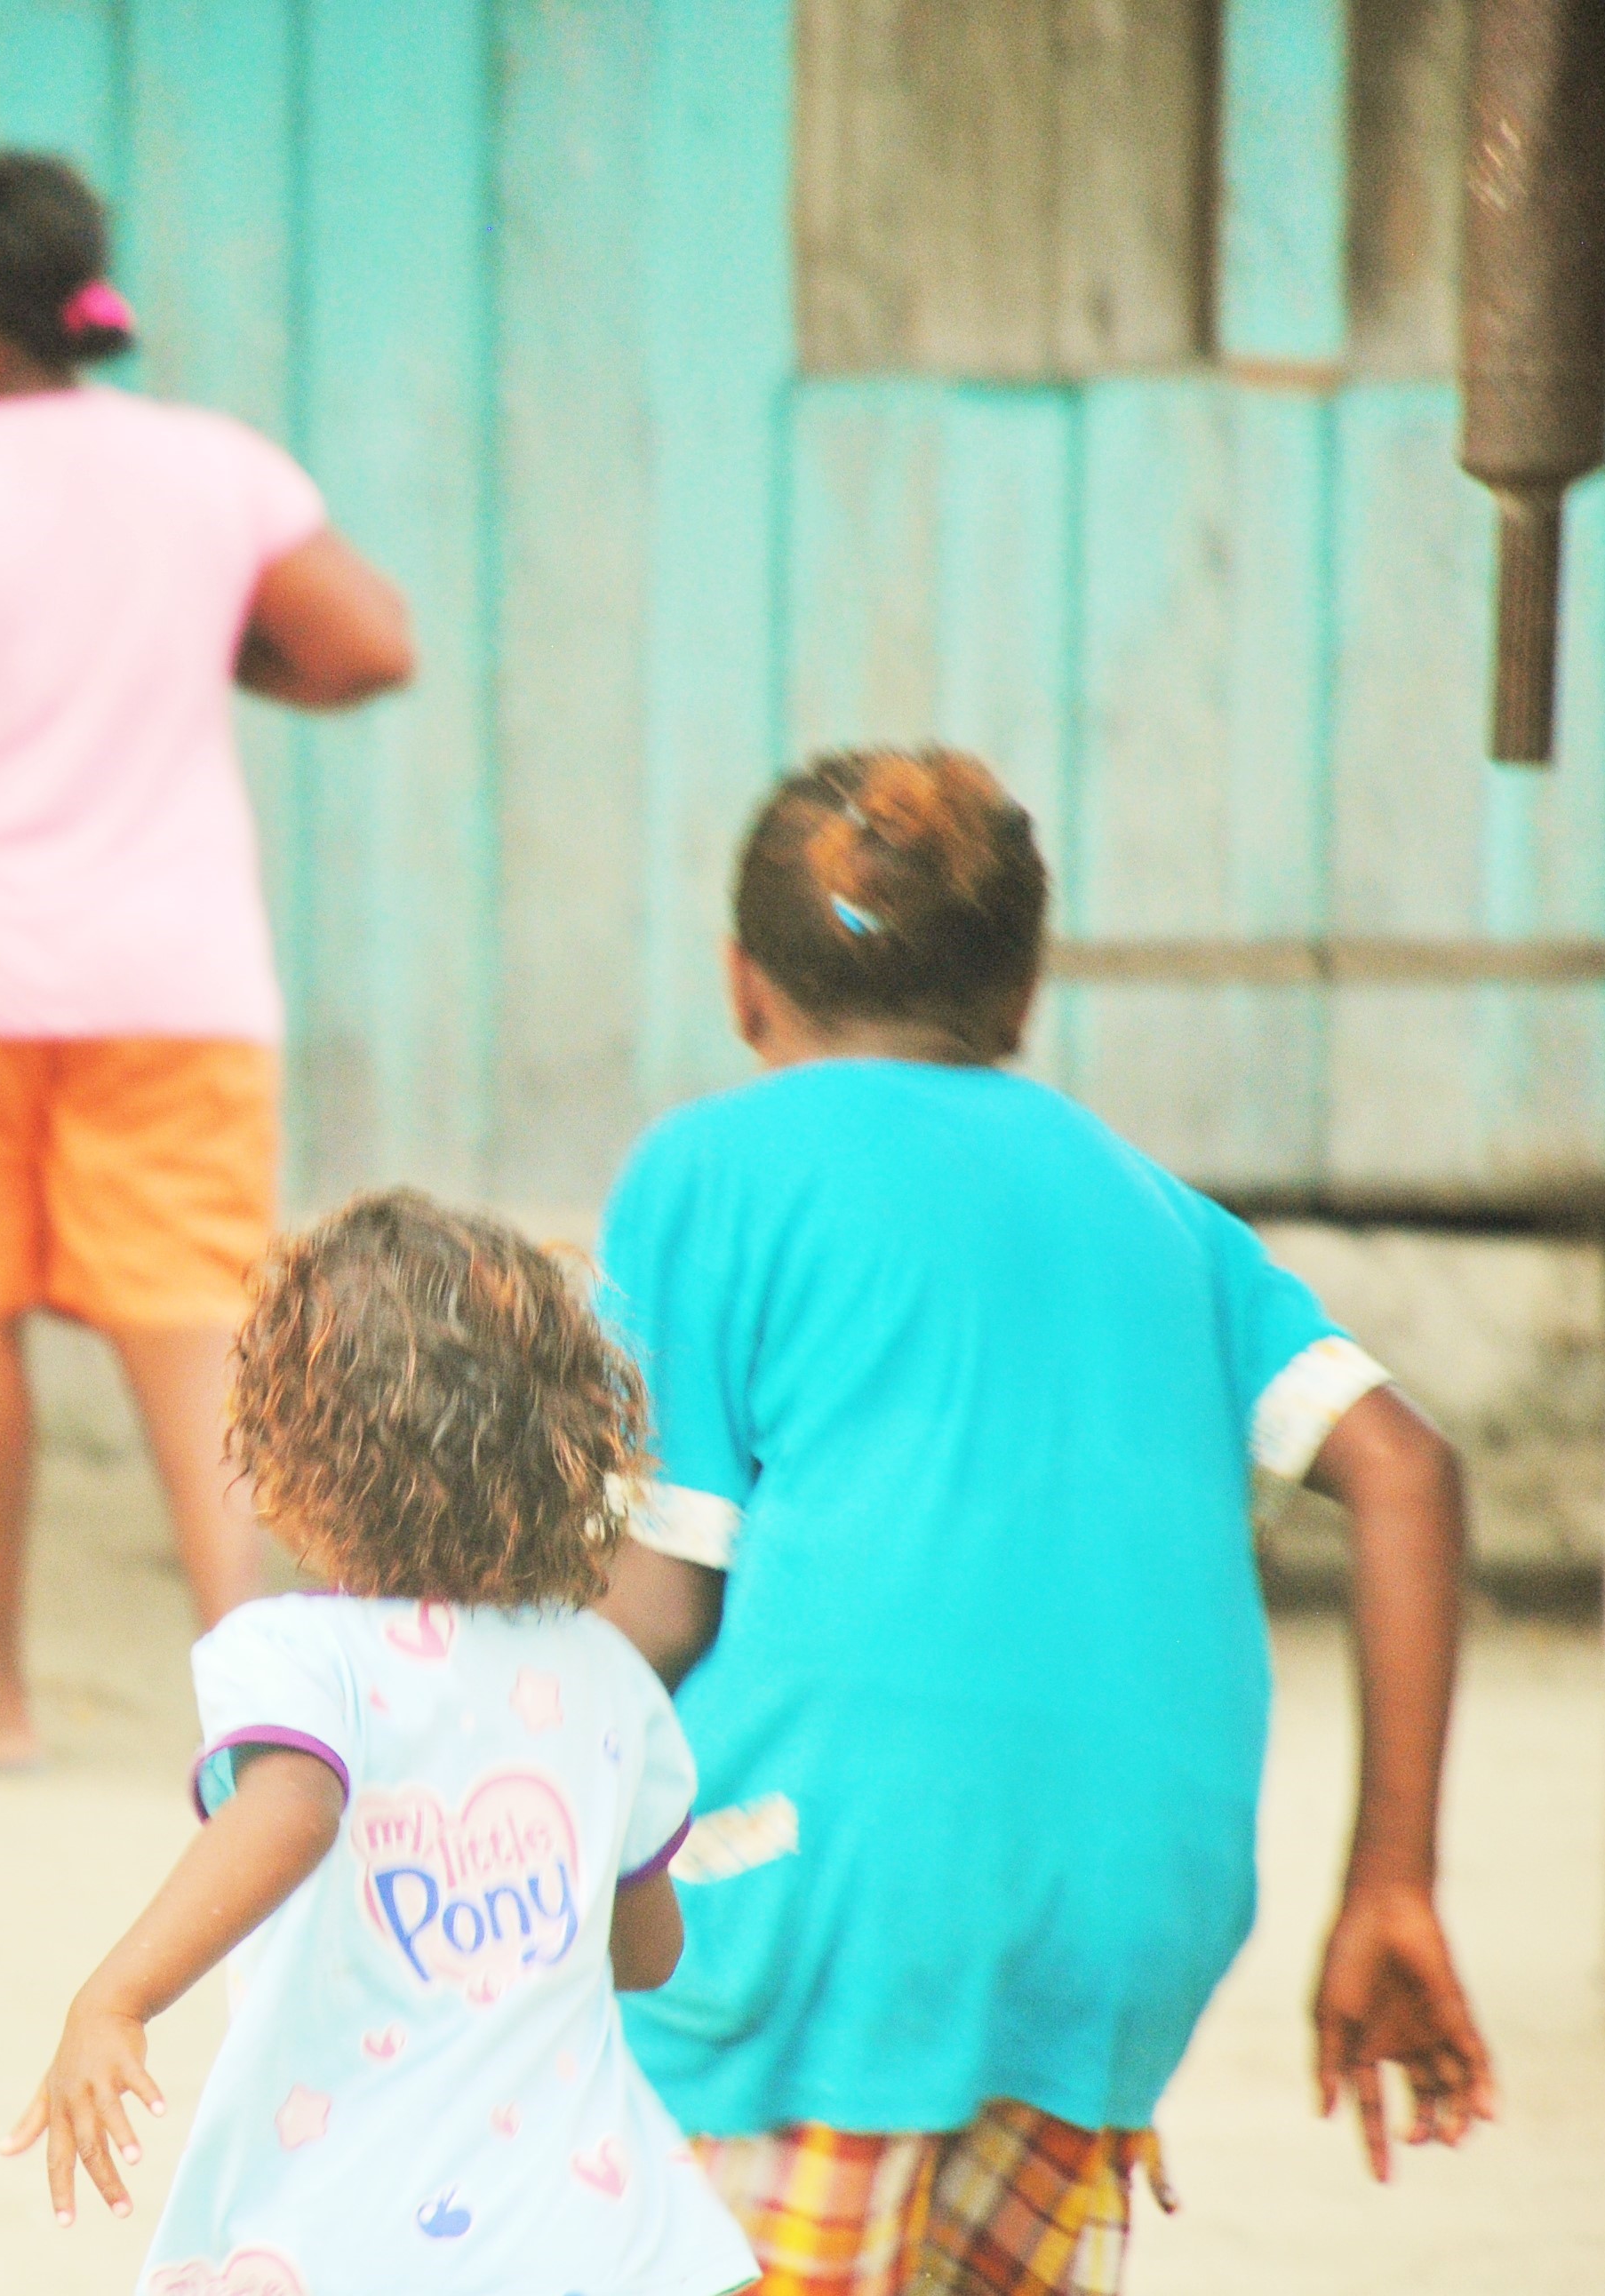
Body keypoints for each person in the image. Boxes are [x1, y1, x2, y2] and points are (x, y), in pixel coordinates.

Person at [593, 748, 1495, 2295]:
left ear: (742, 985)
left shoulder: (709, 1168)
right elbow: (1407, 1470)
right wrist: (1392, 1880)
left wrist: (466, 1762)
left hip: (817, 1907)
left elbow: (662, 1605)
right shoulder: (1167, 1214)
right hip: (1125, 1922)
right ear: (1020, 993)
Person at [0, 152, 414, 1770]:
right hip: (170, 972)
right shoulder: (214, 467)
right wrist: (224, 659)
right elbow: (369, 645)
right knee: (191, 1314)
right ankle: (270, 1698)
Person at [6, 1192, 761, 2296]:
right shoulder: (606, 1675)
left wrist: (116, 1997)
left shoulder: (297, 1655)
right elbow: (645, 1952)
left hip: (347, 2223)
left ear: (288, 1461)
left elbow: (290, 1811)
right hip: (582, 2231)